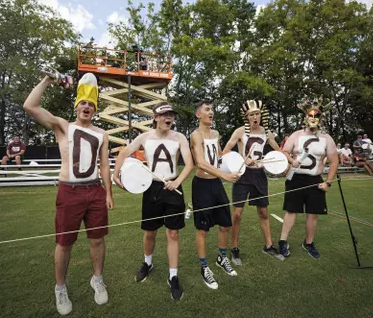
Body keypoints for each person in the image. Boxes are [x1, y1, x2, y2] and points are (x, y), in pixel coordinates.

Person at [23, 73, 114, 315]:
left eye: (91, 104)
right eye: (83, 103)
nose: (86, 106)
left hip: (95, 190)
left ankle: (97, 278)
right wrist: (46, 81)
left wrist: (108, 193)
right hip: (69, 191)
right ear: (77, 106)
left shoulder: (102, 134)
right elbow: (30, 106)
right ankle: (60, 288)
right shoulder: (63, 126)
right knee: (64, 243)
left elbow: (104, 165)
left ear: (95, 109)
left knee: (97, 239)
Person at [113, 102, 193, 301]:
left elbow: (190, 163)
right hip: (151, 187)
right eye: (164, 114)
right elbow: (123, 153)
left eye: (171, 115)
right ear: (155, 117)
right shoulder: (144, 137)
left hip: (173, 186)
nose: (169, 118)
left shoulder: (180, 137)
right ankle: (148, 263)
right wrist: (116, 175)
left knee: (173, 233)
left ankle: (173, 276)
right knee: (150, 231)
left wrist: (177, 182)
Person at [223, 100, 284, 265]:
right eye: (251, 114)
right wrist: (244, 158)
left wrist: (289, 161)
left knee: (263, 212)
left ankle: (269, 246)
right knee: (237, 214)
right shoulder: (240, 131)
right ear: (246, 117)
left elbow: (279, 152)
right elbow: (226, 150)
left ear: (261, 115)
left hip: (259, 176)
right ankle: (234, 249)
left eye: (257, 114)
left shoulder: (266, 132)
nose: (255, 117)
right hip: (243, 175)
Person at [278, 98, 338, 259]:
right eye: (310, 115)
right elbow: (284, 151)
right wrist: (291, 160)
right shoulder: (296, 135)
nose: (313, 118)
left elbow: (334, 161)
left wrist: (328, 182)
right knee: (291, 211)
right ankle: (282, 242)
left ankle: (309, 243)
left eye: (316, 115)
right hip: (295, 178)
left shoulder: (327, 138)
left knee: (313, 214)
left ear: (321, 118)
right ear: (305, 117)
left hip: (315, 180)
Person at [190, 100, 240, 289]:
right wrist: (225, 176)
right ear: (198, 115)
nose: (211, 112)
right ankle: (204, 267)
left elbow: (219, 156)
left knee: (226, 224)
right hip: (202, 185)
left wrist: (239, 161)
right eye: (207, 110)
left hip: (216, 184)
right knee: (202, 229)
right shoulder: (195, 135)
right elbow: (201, 163)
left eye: (212, 110)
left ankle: (222, 258)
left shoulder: (216, 134)